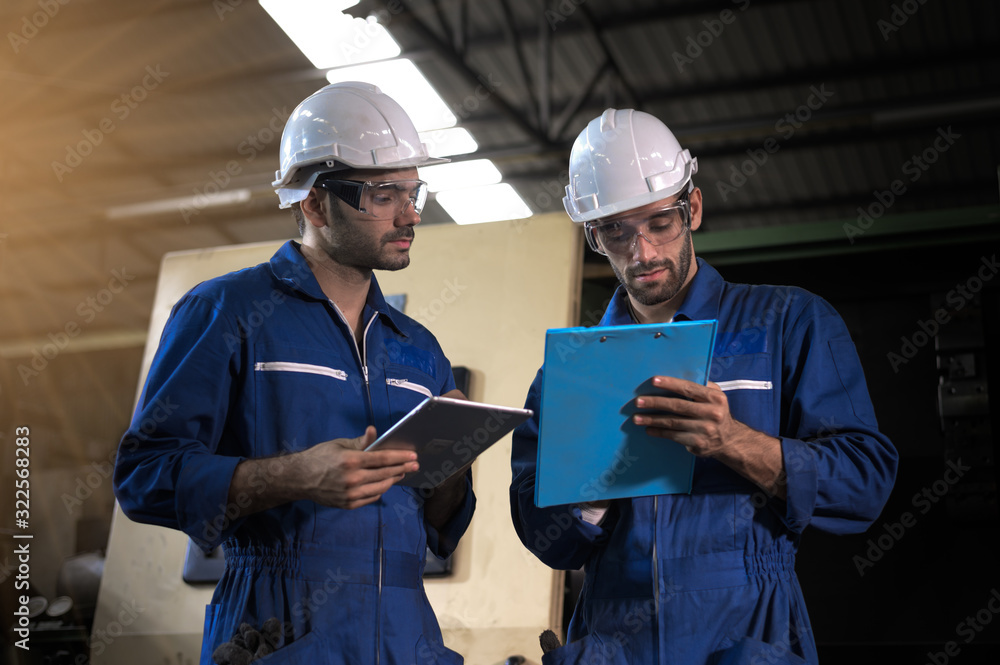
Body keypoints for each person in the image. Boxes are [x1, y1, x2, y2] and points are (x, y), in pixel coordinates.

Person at [510, 108, 898, 664]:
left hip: (747, 623)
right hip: (616, 632)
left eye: (658, 223)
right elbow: (543, 537)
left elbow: (865, 484)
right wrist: (590, 493)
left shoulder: (787, 322)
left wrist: (732, 441)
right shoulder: (569, 373)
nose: (640, 252)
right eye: (615, 231)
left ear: (691, 207)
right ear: (595, 235)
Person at [113, 82, 474, 664]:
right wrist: (295, 477)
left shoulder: (419, 348)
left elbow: (438, 523)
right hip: (278, 629)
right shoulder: (226, 312)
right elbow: (144, 477)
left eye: (413, 192)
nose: (410, 214)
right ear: (314, 203)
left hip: (408, 637)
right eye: (384, 195)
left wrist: (454, 461)